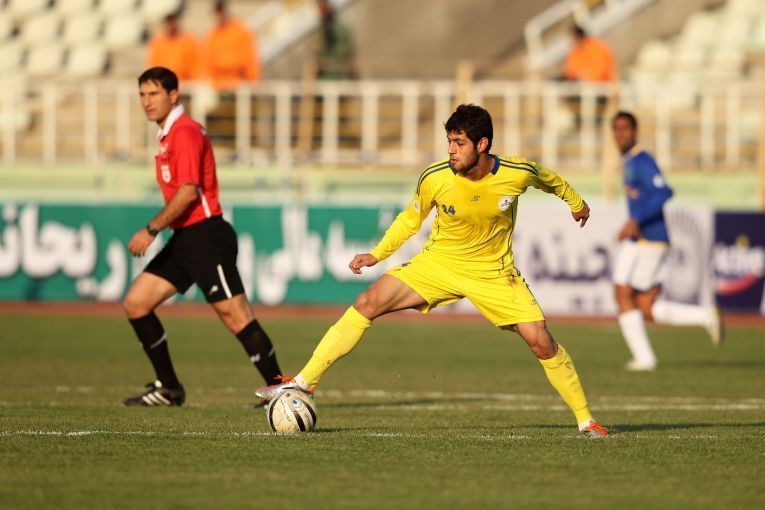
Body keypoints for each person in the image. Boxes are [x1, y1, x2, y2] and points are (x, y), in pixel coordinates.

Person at [256, 104, 609, 438]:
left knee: (541, 341)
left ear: (482, 144)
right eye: (449, 142)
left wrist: (577, 204)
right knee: (368, 302)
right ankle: (303, 382)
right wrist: (377, 254)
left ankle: (586, 420)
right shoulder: (436, 177)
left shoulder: (516, 173)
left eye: (459, 143)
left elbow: (551, 180)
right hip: (439, 263)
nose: (451, 150)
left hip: (493, 273)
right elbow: (410, 219)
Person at [123, 67, 282, 406]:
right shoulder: (168, 134)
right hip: (185, 238)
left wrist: (151, 229)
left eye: (154, 94)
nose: (147, 101)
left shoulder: (184, 132)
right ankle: (169, 388)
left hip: (207, 236)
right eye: (142, 95)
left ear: (173, 95)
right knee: (137, 303)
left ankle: (281, 389)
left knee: (236, 316)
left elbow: (188, 192)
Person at [611, 111, 723, 372]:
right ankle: (705, 316)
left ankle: (645, 358)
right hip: (641, 239)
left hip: (651, 239)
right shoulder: (629, 161)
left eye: (625, 128)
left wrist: (635, 219)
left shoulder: (642, 160)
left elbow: (664, 191)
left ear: (635, 132)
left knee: (625, 294)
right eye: (616, 128)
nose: (620, 134)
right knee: (644, 305)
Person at [202, 0, 261, 90]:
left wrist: (252, 82)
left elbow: (249, 60)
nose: (220, 15)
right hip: (218, 86)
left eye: (221, 11)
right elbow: (207, 63)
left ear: (226, 11)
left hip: (238, 85)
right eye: (218, 12)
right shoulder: (212, 35)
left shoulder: (240, 31)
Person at [147, 12, 201, 82]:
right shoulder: (157, 43)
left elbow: (196, 64)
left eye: (172, 22)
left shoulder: (189, 40)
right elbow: (153, 66)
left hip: (185, 81)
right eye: (168, 22)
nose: (171, 26)